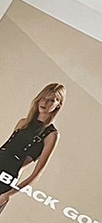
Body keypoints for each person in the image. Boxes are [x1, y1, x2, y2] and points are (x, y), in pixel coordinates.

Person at [0, 82, 64, 216]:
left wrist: (9, 194)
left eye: (51, 100)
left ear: (58, 105)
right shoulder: (23, 122)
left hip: (5, 181)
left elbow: (36, 174)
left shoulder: (51, 135)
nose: (45, 102)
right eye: (43, 98)